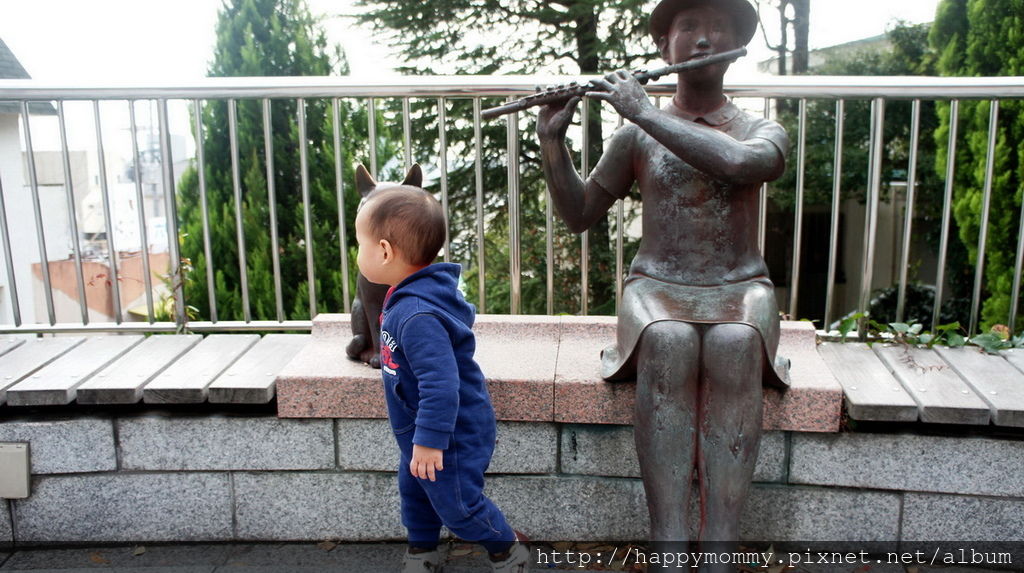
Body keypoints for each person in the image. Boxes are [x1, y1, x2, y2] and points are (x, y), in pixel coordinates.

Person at [535, 0, 789, 569]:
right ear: (663, 47)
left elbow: (740, 165)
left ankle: (721, 544)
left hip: (741, 285)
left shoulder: (760, 128)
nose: (704, 39)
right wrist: (553, 143)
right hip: (657, 285)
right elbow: (579, 214)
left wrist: (645, 114)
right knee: (669, 342)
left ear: (738, 45)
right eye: (689, 28)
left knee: (735, 344)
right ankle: (668, 541)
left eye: (718, 28)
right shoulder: (635, 138)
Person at [355, 182, 530, 573]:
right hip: (418, 431)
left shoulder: (418, 315)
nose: (358, 254)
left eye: (360, 245)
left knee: (459, 506)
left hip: (447, 434)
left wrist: (431, 442)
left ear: (384, 251)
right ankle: (423, 553)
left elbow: (442, 384)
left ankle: (508, 550)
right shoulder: (406, 297)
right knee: (415, 494)